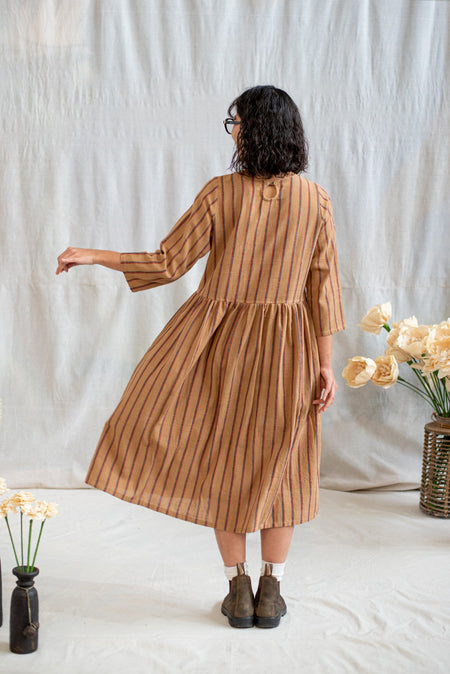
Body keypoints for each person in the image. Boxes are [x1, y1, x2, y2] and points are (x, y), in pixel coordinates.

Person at [56, 85, 345, 629]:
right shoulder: (317, 200)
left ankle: (238, 589)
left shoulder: (221, 192)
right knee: (281, 466)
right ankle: (271, 592)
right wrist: (326, 365)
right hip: (290, 349)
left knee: (225, 460)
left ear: (254, 129)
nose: (233, 131)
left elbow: (168, 262)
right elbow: (323, 290)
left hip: (219, 344)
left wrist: (94, 254)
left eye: (236, 122)